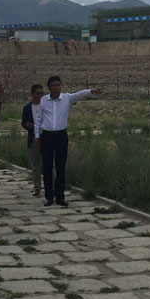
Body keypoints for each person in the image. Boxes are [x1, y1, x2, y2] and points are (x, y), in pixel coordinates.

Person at [35, 76, 103, 207]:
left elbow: (79, 94)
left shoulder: (66, 98)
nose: (57, 88)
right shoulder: (44, 100)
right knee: (47, 167)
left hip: (61, 136)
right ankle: (49, 197)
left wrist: (91, 91)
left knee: (60, 167)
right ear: (49, 87)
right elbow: (39, 119)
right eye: (54, 85)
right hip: (47, 136)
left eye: (59, 85)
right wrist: (37, 135)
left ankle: (60, 196)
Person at [21, 84, 45, 196]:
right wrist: (27, 125)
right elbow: (23, 122)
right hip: (34, 138)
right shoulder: (27, 108)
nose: (40, 95)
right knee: (36, 165)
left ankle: (52, 187)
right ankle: (37, 187)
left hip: (46, 137)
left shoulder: (46, 105)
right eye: (38, 93)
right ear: (32, 94)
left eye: (42, 93)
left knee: (49, 164)